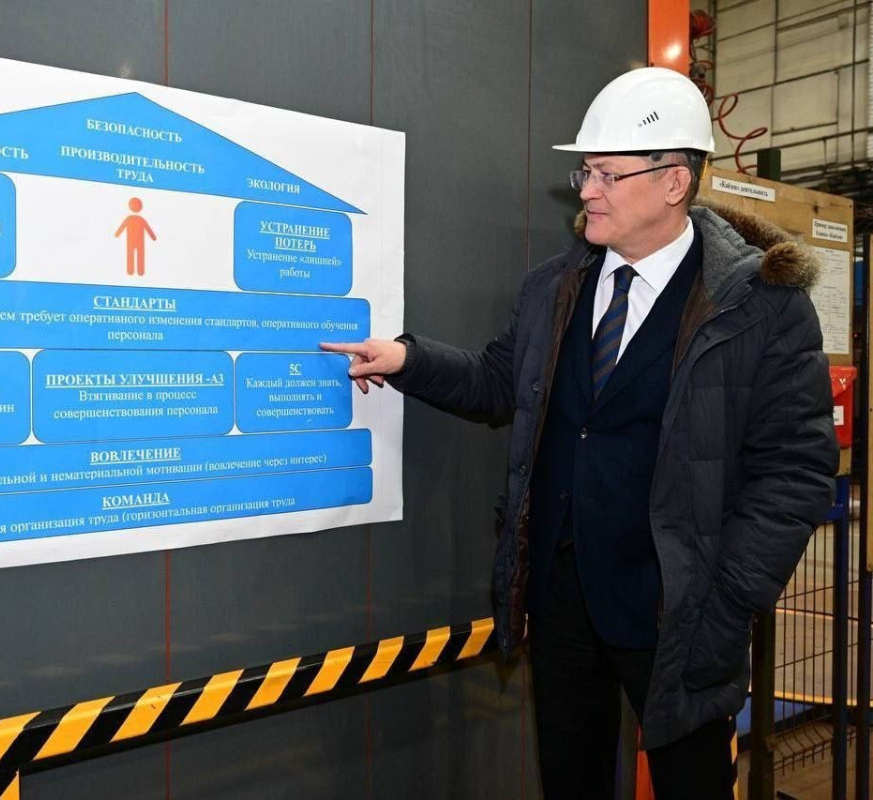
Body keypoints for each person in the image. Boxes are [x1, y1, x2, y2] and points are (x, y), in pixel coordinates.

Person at [322, 67, 838, 799]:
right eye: (585, 171)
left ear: (674, 182)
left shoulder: (760, 307)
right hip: (564, 604)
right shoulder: (555, 287)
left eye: (606, 175)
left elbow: (796, 470)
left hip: (681, 616)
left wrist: (727, 601)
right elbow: (499, 382)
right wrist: (408, 359)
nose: (587, 190)